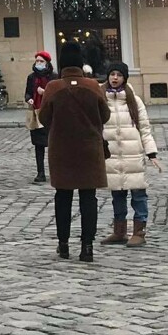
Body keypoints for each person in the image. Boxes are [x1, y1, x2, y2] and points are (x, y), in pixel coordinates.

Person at [38, 42, 110, 262]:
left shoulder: (53, 87)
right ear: (80, 63)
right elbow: (105, 115)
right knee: (89, 198)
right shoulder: (93, 86)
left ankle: (63, 244)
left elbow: (43, 118)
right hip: (89, 149)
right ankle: (87, 246)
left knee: (63, 197)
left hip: (62, 150)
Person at [99, 63, 161, 249]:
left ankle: (139, 231)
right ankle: (119, 231)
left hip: (132, 155)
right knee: (117, 194)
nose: (115, 77)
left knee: (138, 195)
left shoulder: (134, 100)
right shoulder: (101, 99)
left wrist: (151, 153)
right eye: (112, 74)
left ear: (125, 77)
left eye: (118, 74)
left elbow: (144, 128)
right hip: (111, 156)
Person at [23, 51, 54, 184]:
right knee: (38, 145)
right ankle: (40, 172)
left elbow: (57, 94)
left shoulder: (53, 77)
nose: (39, 63)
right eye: (37, 61)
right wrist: (29, 99)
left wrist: (45, 91)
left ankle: (55, 171)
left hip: (50, 114)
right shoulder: (31, 77)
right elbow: (28, 93)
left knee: (53, 145)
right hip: (36, 113)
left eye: (41, 61)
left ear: (47, 63)